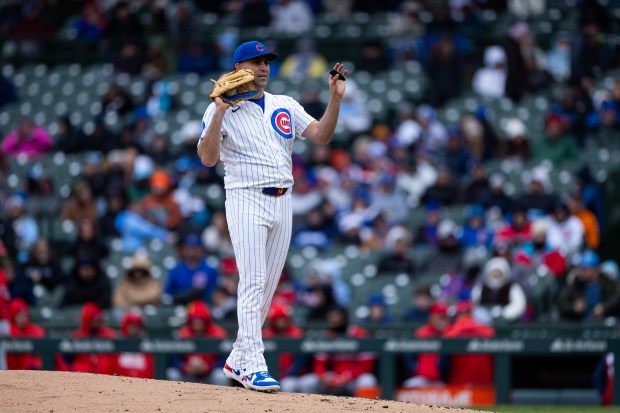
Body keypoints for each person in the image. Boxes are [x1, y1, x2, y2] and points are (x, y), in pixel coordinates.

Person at [197, 40, 347, 392]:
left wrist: (335, 97)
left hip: (283, 200)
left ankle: (238, 357)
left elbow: (322, 136)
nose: (263, 67)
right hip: (245, 196)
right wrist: (218, 110)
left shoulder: (284, 104)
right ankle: (254, 364)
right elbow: (206, 158)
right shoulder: (221, 109)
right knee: (252, 281)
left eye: (266, 61)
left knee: (265, 289)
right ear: (237, 69)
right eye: (255, 61)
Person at [172, 300, 228, 385]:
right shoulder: (182, 334)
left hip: (209, 375)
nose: (198, 322)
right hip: (188, 375)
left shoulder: (218, 333)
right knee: (172, 374)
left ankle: (221, 398)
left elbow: (224, 360)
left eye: (201, 319)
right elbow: (174, 359)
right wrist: (184, 367)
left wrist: (208, 367)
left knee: (220, 376)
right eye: (195, 319)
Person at [402, 302, 450, 388]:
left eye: (444, 318)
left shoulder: (450, 334)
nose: (442, 322)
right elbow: (409, 357)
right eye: (439, 318)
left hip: (440, 381)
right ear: (432, 318)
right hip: (420, 378)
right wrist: (416, 368)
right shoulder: (421, 333)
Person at [163, 233, 219, 306]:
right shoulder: (176, 269)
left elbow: (214, 294)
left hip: (203, 308)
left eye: (195, 248)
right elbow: (169, 294)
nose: (192, 252)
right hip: (180, 306)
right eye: (189, 248)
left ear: (201, 250)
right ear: (184, 250)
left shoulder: (209, 270)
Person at [6, 298, 45, 370]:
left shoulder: (35, 330)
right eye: (19, 314)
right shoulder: (7, 330)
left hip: (31, 371)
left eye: (24, 314)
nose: (23, 317)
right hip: (10, 371)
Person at [116, 310, 154, 378]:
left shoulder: (147, 345)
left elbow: (150, 371)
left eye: (137, 326)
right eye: (131, 326)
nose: (134, 329)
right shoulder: (117, 344)